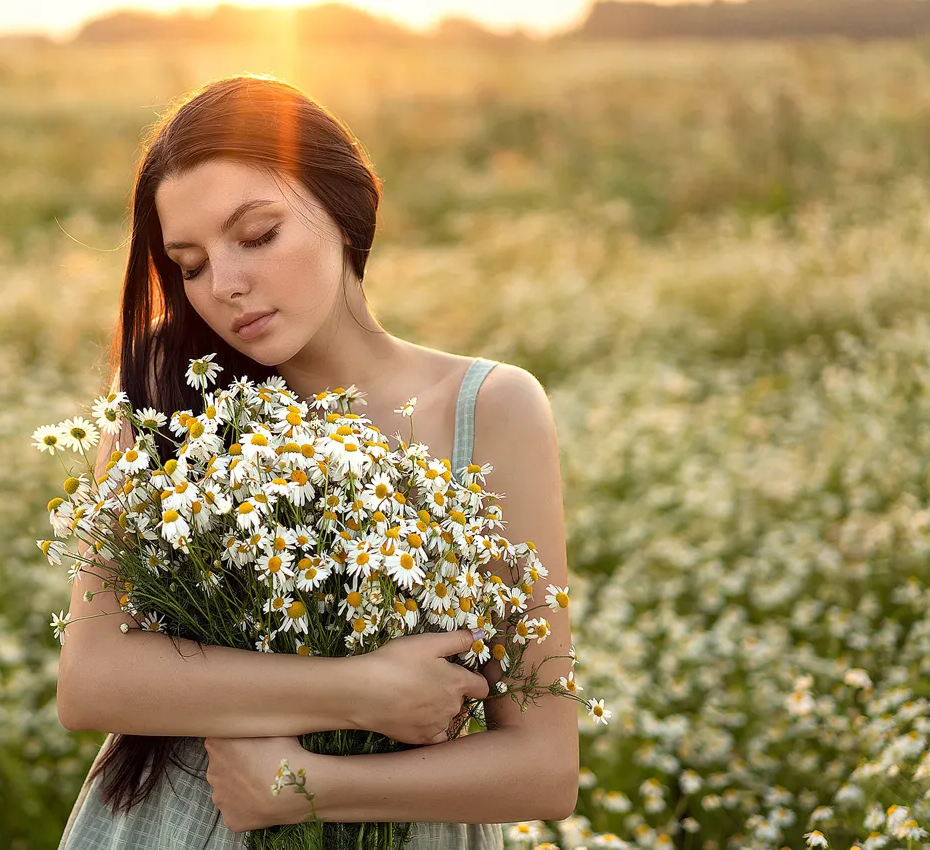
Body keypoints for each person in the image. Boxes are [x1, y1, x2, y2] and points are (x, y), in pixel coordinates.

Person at [55, 74, 578, 849]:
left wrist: (311, 790)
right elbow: (91, 681)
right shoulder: (168, 401)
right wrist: (359, 691)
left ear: (343, 204)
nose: (226, 285)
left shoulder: (491, 410)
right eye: (190, 265)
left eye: (258, 235)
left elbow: (544, 767)